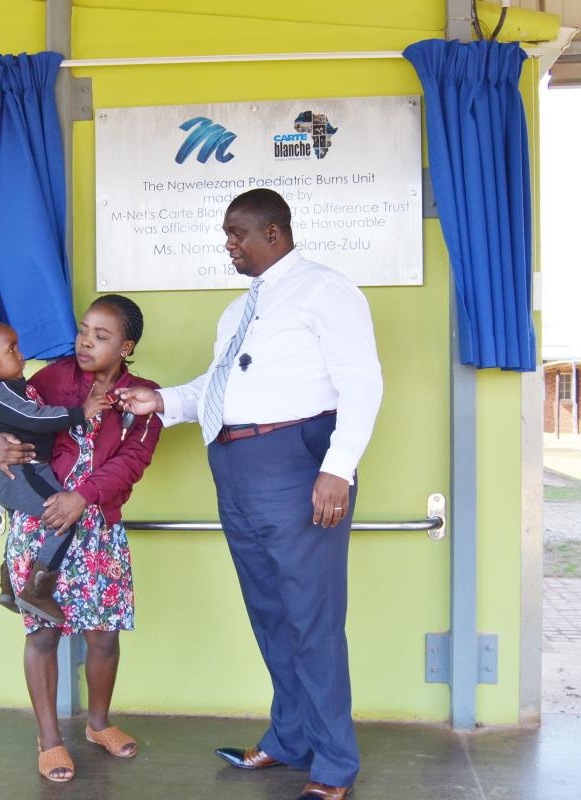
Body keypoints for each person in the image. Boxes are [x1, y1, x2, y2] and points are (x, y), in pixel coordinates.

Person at [117, 188, 382, 800]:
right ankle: (289, 737)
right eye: (226, 233)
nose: (228, 244)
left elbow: (361, 381)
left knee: (311, 617)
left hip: (297, 461)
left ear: (275, 231)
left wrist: (337, 468)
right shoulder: (238, 310)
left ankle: (335, 763)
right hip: (236, 464)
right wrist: (162, 401)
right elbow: (220, 385)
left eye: (238, 233)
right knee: (270, 612)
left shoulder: (325, 289)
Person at [0, 294, 162, 783]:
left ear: (127, 346)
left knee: (103, 636)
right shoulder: (54, 378)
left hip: (97, 527)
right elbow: (0, 414)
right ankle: (50, 739)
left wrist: (83, 496)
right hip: (41, 524)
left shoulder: (144, 395)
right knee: (42, 634)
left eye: (101, 336)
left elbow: (132, 463)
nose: (85, 342)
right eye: (83, 331)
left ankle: (99, 725)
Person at [0, 321, 110, 624]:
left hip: (26, 473)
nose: (21, 354)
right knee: (63, 517)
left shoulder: (12, 387)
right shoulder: (0, 391)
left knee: (30, 527)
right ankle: (37, 590)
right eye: (11, 350)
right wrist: (82, 411)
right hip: (22, 474)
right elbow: (34, 417)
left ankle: (10, 584)